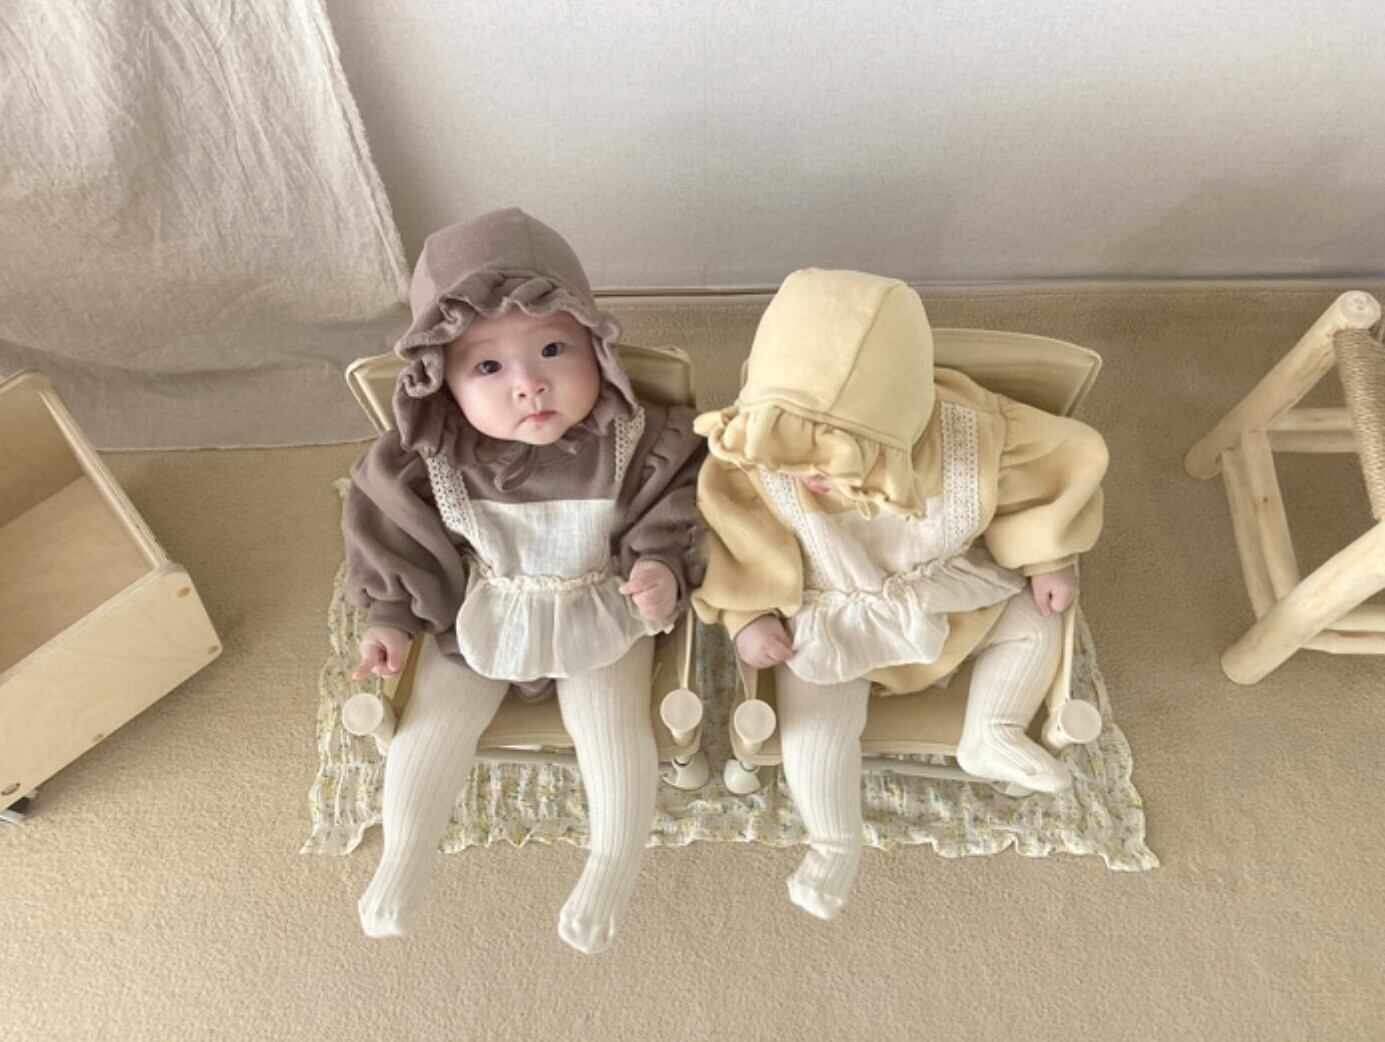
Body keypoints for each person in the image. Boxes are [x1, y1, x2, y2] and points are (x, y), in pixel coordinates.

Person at [692, 268, 1107, 920]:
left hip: (939, 587)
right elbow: (733, 539)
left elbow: (1045, 475)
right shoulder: (755, 461)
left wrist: (1049, 557)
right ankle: (833, 840)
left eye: (838, 462)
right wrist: (748, 615)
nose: (814, 477)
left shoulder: (974, 436)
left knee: (1039, 614)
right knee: (814, 716)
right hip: (828, 607)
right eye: (801, 458)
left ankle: (992, 728)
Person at [342, 208, 704, 953]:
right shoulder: (431, 457)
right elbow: (396, 538)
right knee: (436, 718)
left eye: (552, 349)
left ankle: (611, 863)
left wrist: (658, 567)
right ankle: (405, 855)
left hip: (600, 596)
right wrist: (391, 617)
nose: (530, 385)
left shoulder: (635, 436)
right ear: (440, 381)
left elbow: (675, 500)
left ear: (595, 345)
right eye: (488, 368)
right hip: (485, 599)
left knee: (611, 724)